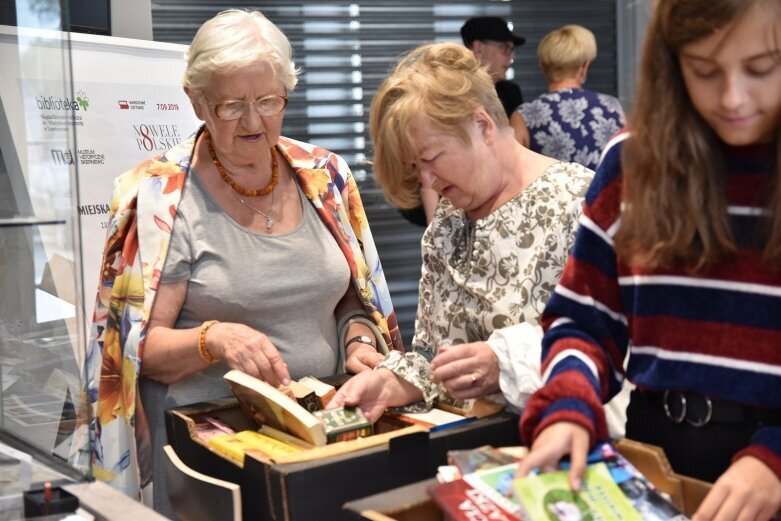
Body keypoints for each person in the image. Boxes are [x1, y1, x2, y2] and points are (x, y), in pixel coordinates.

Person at [84, 8, 403, 513]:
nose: (254, 122)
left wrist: (358, 336)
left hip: (324, 432)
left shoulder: (324, 176)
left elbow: (349, 295)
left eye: (268, 101)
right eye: (232, 106)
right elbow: (135, 351)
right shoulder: (161, 199)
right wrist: (216, 339)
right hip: (214, 452)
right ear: (197, 102)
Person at [516, 1, 781, 520]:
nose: (732, 98)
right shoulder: (630, 161)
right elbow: (584, 320)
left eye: (762, 67)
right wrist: (570, 399)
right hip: (656, 454)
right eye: (704, 70)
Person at [328, 42, 631, 433]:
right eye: (415, 166)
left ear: (483, 125)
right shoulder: (448, 224)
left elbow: (610, 345)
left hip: (561, 442)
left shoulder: (580, 203)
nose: (427, 181)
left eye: (432, 157)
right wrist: (389, 383)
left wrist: (504, 362)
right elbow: (431, 356)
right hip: (469, 446)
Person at [515, 25, 625, 170]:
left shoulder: (524, 116)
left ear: (542, 66)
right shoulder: (613, 107)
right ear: (584, 66)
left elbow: (512, 172)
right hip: (602, 193)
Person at [461, 16, 526, 119]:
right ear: (478, 49)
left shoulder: (511, 93)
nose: (512, 56)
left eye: (512, 49)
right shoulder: (458, 93)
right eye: (504, 47)